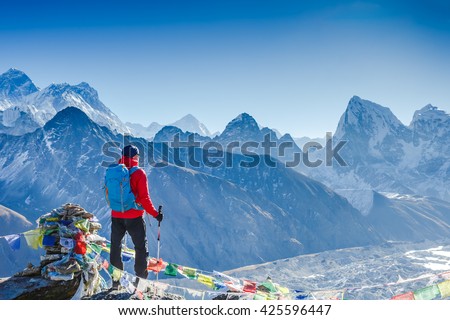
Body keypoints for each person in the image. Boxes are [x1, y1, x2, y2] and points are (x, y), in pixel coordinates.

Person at [109, 144, 163, 288]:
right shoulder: (139, 173)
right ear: (134, 157)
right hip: (134, 217)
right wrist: (155, 215)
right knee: (140, 248)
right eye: (137, 156)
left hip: (116, 215)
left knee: (115, 247)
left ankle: (116, 281)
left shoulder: (114, 171)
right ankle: (140, 283)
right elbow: (145, 198)